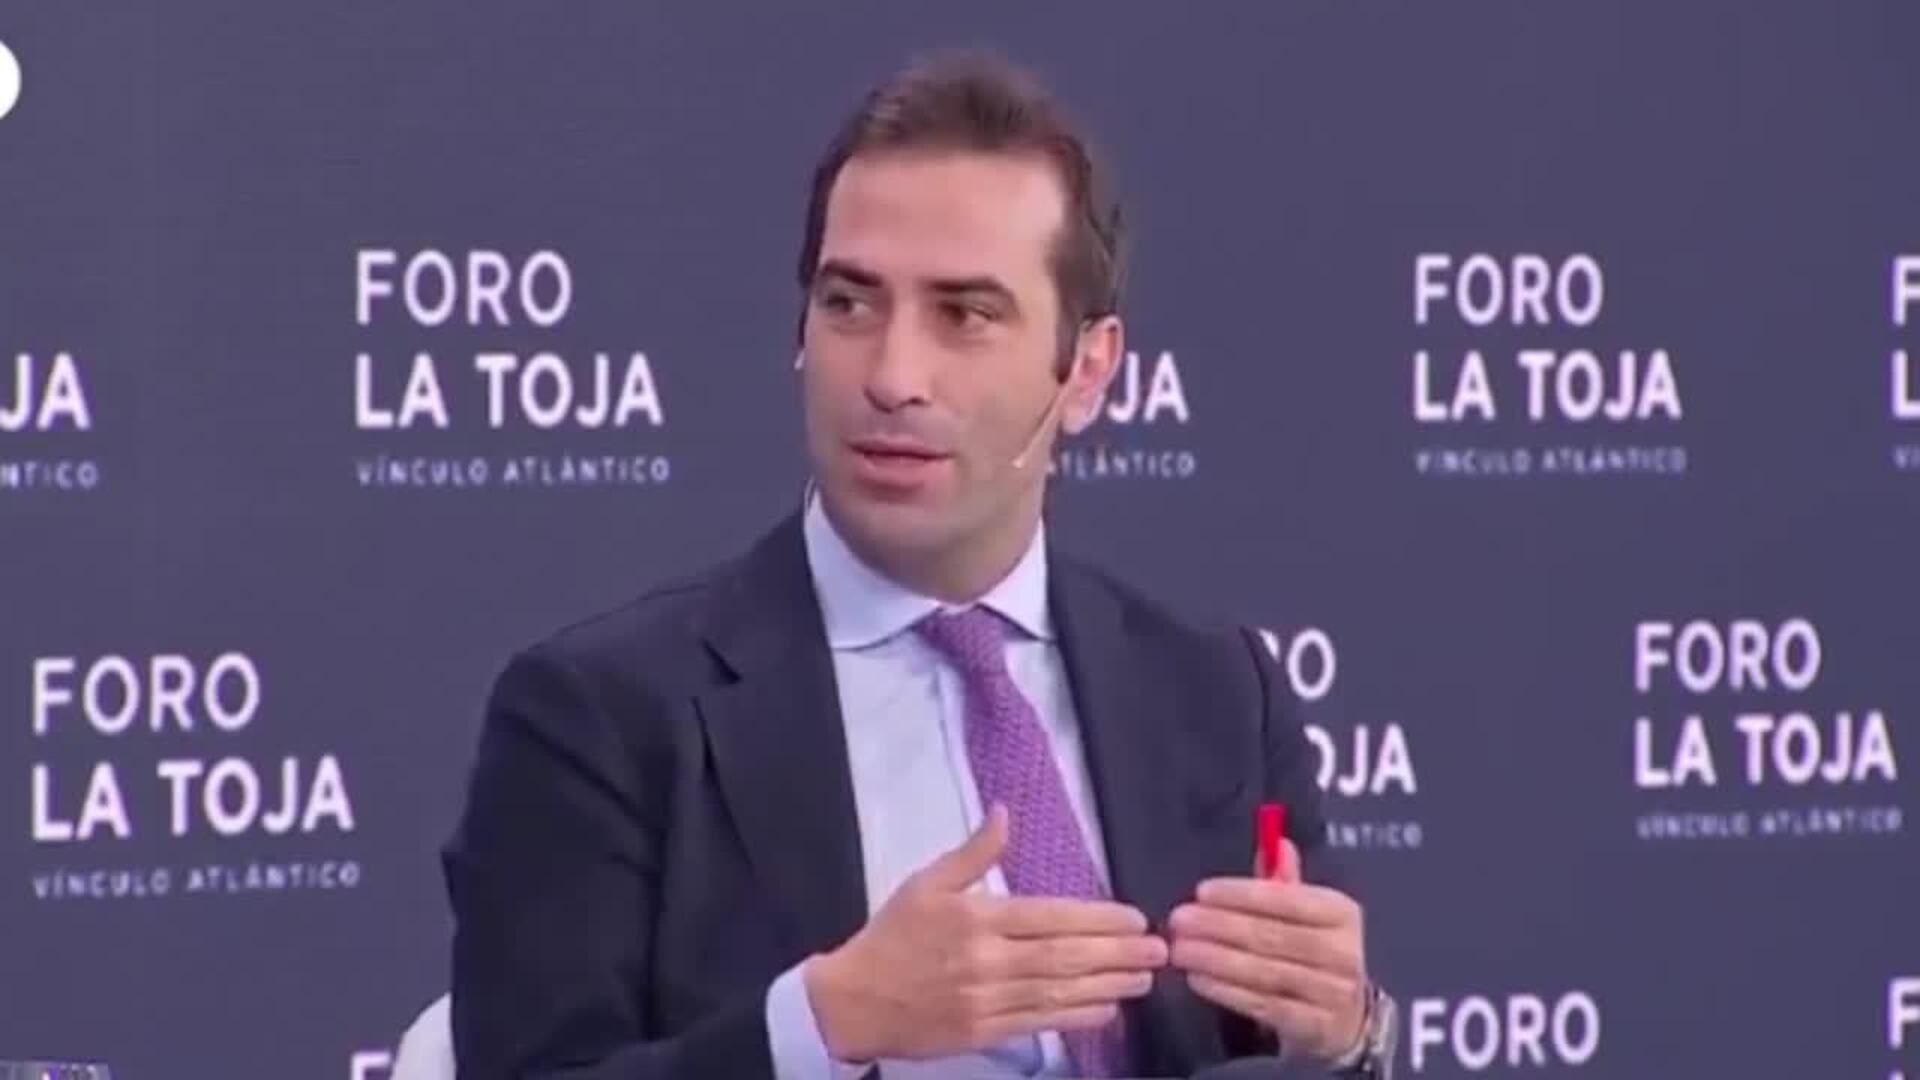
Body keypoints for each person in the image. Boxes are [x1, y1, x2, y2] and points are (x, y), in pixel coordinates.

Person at [443, 51, 1397, 1080]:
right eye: (850, 304)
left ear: (1087, 371)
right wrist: (818, 1027)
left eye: (964, 314)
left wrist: (1350, 1034)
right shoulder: (602, 716)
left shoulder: (1214, 694)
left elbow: (1303, 1048)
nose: (893, 376)